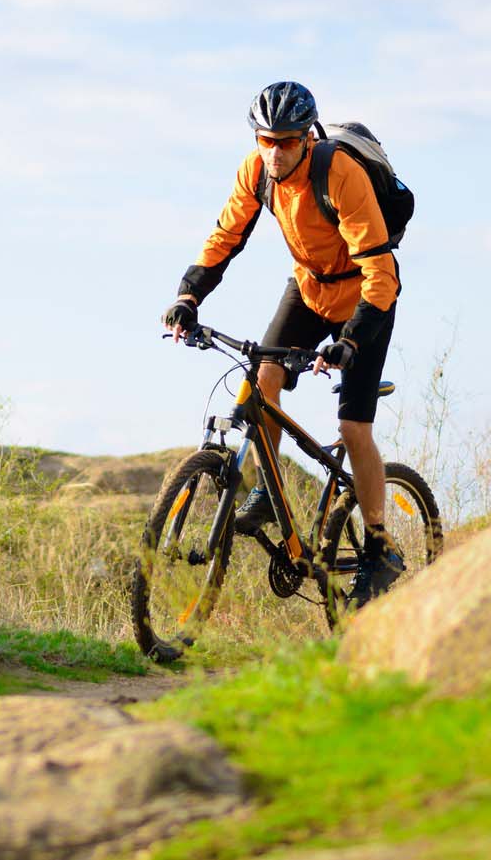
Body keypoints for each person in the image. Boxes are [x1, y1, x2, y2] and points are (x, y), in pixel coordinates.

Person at [162, 79, 406, 607]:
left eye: (287, 141)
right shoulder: (256, 171)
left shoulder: (340, 173)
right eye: (266, 140)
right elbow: (225, 237)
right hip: (309, 286)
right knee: (262, 379)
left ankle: (381, 546)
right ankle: (268, 496)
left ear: (306, 137)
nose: (275, 151)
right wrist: (188, 296)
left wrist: (351, 342)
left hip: (366, 296)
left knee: (352, 426)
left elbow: (380, 272)